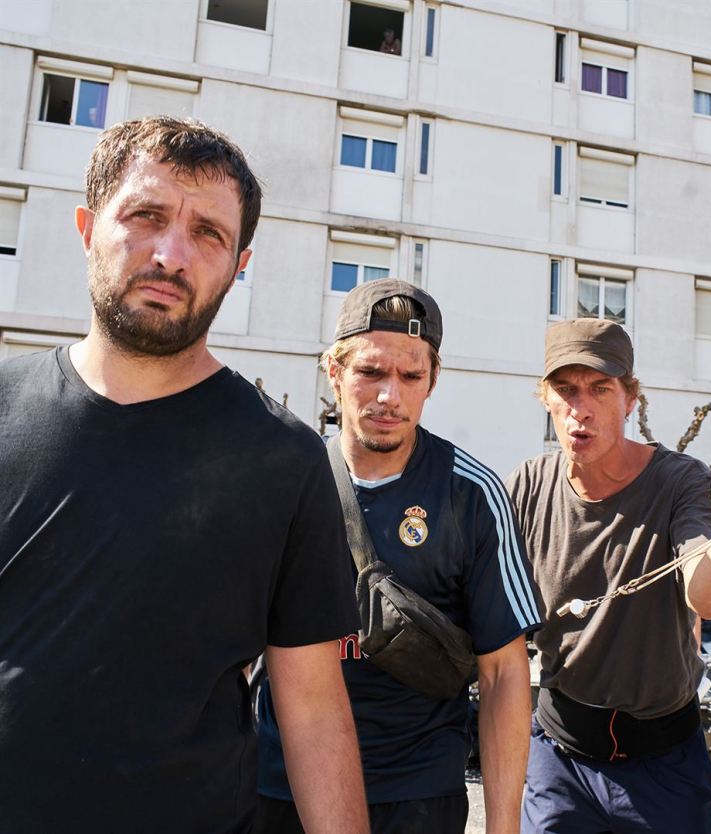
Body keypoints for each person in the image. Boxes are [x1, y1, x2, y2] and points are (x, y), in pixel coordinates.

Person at [0, 117, 369, 833]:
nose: (171, 254)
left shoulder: (286, 459)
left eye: (208, 233)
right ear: (87, 227)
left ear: (238, 265)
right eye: (146, 215)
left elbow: (314, 710)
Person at [256, 279, 541, 834]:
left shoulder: (472, 493)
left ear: (432, 381)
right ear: (334, 371)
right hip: (283, 786)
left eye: (411, 376)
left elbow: (505, 672)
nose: (390, 396)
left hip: (417, 795)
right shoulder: (281, 486)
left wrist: (503, 828)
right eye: (370, 372)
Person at [506, 318, 711, 834]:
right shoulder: (527, 486)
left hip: (665, 766)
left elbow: (707, 595)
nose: (580, 408)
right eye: (566, 390)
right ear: (546, 398)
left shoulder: (680, 481)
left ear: (631, 398)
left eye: (600, 389)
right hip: (560, 760)